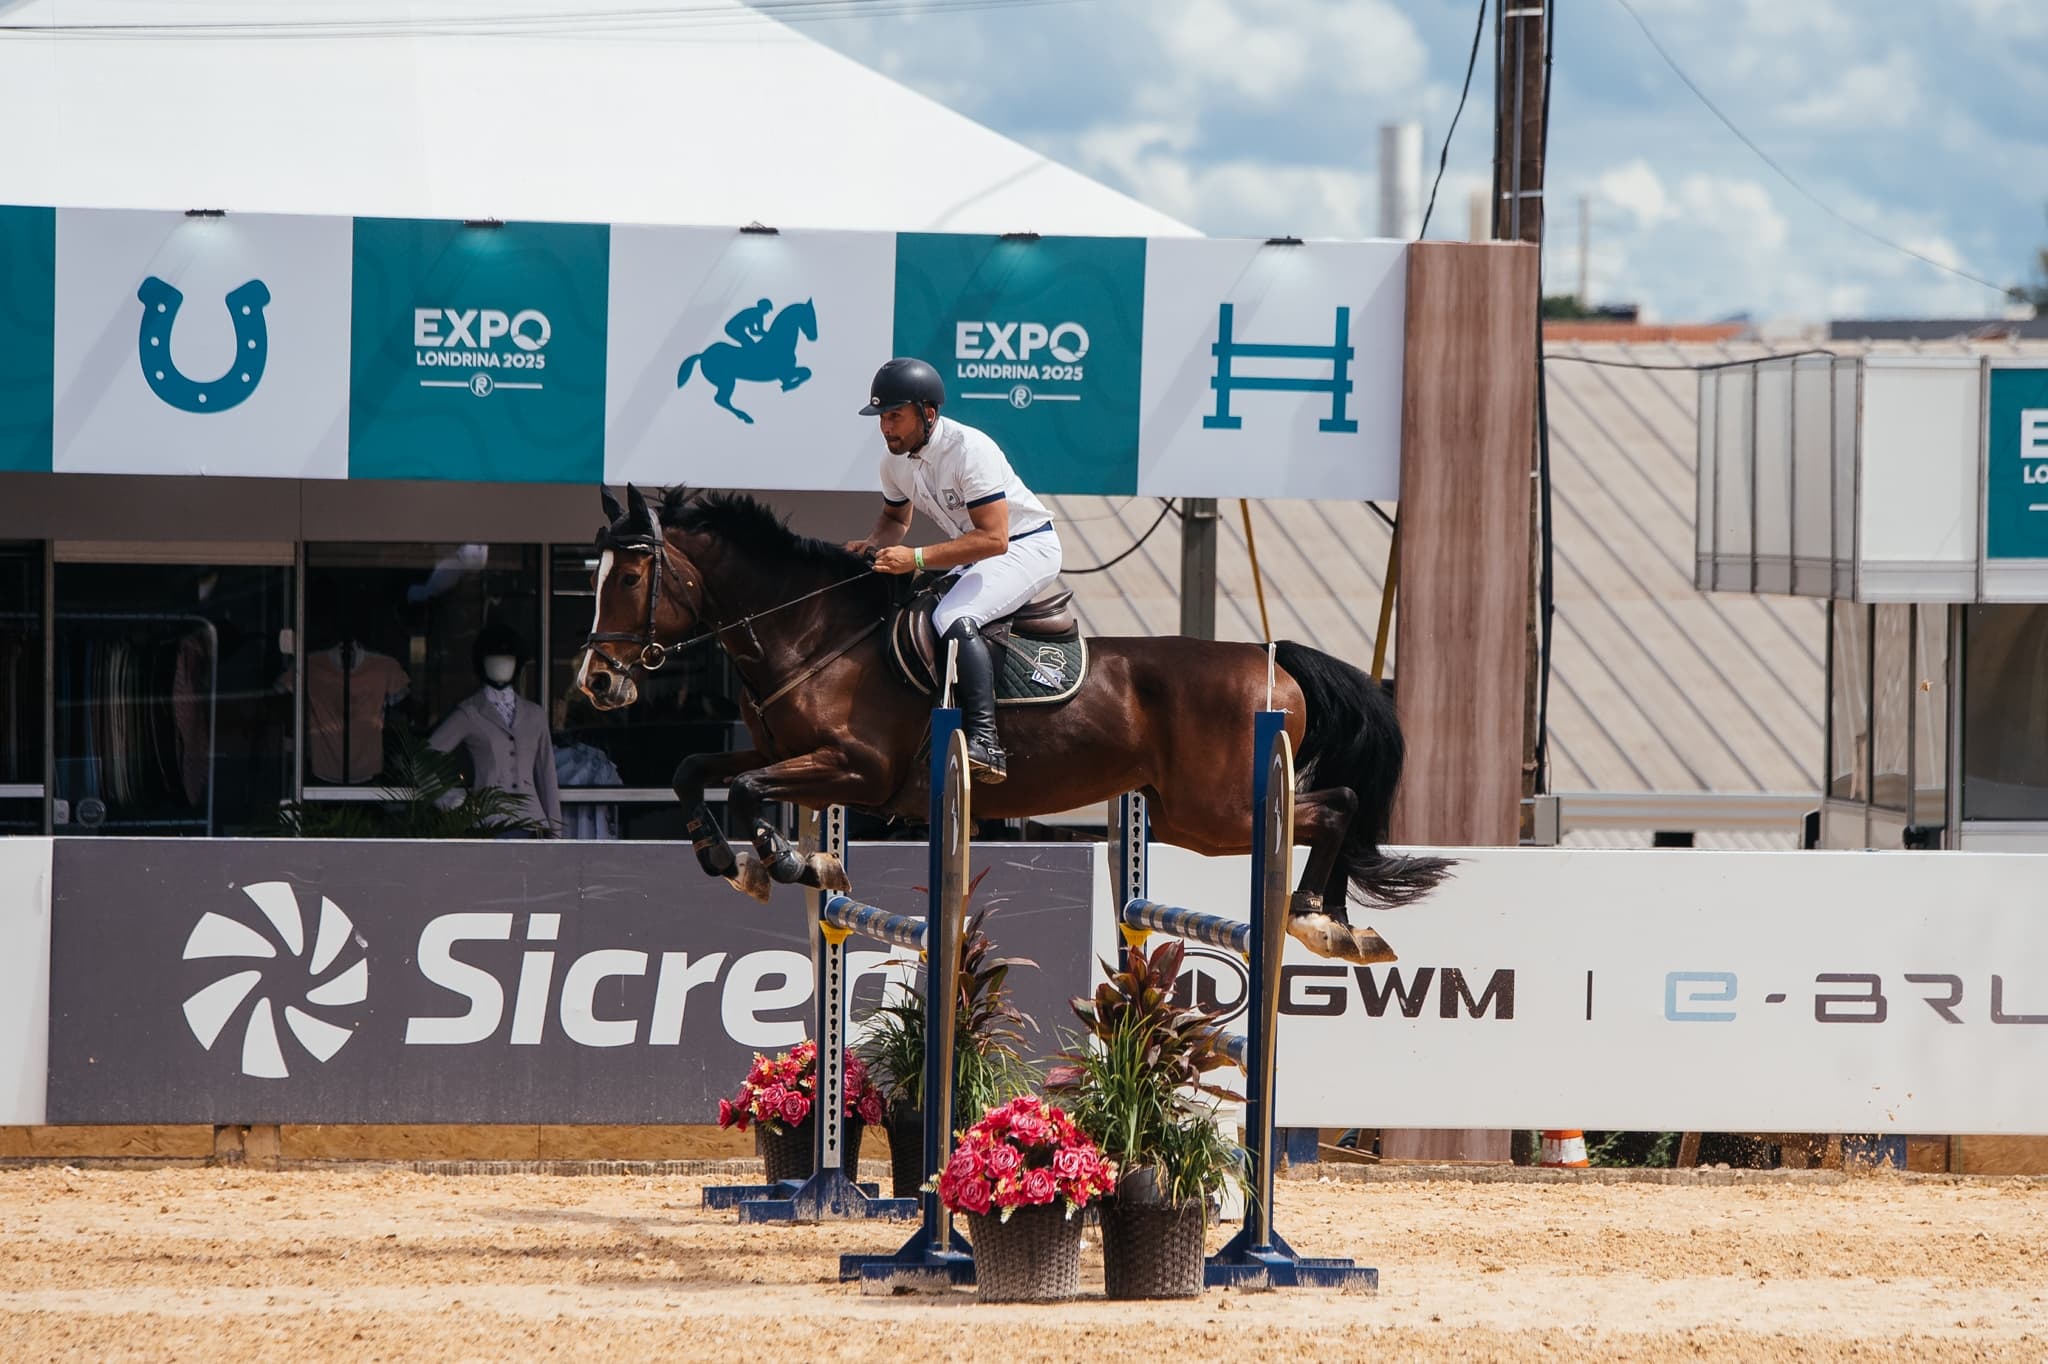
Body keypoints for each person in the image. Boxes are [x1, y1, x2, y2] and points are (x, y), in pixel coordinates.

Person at [844, 357, 1062, 783]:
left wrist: (916, 558)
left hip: (1027, 546)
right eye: (882, 418)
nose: (886, 428)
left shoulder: (969, 450)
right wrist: (872, 543)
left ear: (928, 413)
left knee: (953, 616)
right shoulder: (894, 461)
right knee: (911, 611)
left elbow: (994, 538)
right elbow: (894, 519)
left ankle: (986, 741)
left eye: (895, 416)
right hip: (978, 552)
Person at [427, 621, 561, 836]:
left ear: (517, 663)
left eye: (508, 659)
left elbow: (547, 776)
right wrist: (448, 798)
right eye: (493, 658)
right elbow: (424, 758)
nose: (500, 665)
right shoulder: (469, 712)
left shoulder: (535, 714)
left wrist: (555, 834)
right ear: (481, 663)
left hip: (532, 824)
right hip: (488, 823)